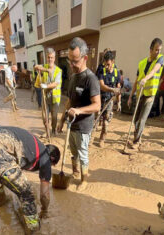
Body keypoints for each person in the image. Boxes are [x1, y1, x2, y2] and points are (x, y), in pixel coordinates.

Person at [0, 126, 60, 231]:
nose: (49, 167)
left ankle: (0, 200)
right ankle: (34, 228)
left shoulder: (34, 145)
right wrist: (44, 210)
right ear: (52, 159)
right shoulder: (45, 158)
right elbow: (44, 194)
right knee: (27, 192)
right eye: (52, 165)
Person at [57, 37, 100, 190]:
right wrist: (61, 120)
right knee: (73, 152)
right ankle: (75, 173)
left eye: (75, 61)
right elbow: (69, 101)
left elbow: (97, 105)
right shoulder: (73, 77)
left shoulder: (91, 79)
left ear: (85, 58)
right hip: (71, 124)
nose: (72, 65)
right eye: (70, 61)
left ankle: (84, 181)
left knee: (82, 155)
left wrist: (79, 110)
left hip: (83, 126)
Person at [127, 38, 164, 149]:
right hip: (140, 94)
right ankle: (137, 136)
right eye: (156, 50)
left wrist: (146, 79)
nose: (158, 52)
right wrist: (130, 96)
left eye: (159, 50)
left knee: (142, 119)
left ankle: (136, 141)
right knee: (136, 119)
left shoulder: (160, 59)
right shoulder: (142, 63)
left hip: (150, 95)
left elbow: (154, 71)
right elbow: (136, 81)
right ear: (150, 49)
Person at [35, 48, 62, 136]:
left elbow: (56, 83)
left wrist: (46, 86)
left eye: (52, 57)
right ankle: (47, 131)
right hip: (45, 97)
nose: (50, 59)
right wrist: (46, 70)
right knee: (44, 116)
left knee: (54, 117)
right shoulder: (44, 67)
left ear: (54, 58)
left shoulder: (58, 71)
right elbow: (36, 67)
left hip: (54, 98)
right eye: (48, 57)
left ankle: (54, 130)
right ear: (46, 58)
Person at [98, 51, 121, 147]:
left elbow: (118, 88)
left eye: (108, 64)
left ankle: (102, 139)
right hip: (99, 98)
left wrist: (119, 102)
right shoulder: (101, 70)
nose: (106, 67)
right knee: (94, 119)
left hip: (109, 100)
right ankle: (89, 138)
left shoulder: (117, 73)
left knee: (106, 121)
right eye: (105, 64)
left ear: (113, 61)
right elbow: (102, 86)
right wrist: (112, 89)